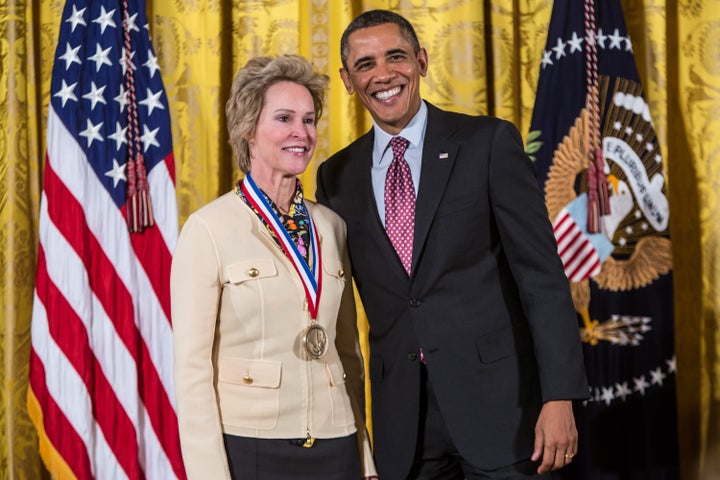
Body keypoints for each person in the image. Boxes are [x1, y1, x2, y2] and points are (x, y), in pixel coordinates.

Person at [315, 10, 589, 480]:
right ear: (347, 79)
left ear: (420, 60)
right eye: (365, 64)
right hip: (403, 422)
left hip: (504, 412)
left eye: (395, 56)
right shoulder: (335, 177)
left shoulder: (487, 143)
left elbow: (541, 278)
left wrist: (558, 396)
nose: (382, 74)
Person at [171, 54, 377, 480]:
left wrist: (364, 456)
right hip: (250, 447)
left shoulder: (332, 227)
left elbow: (348, 355)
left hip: (336, 442)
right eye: (284, 119)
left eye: (308, 120)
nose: (301, 133)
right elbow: (192, 371)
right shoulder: (208, 229)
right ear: (248, 130)